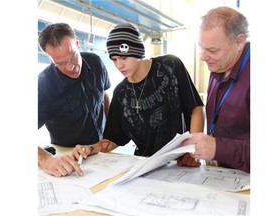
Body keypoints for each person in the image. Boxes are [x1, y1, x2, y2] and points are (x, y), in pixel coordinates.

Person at [73, 23, 204, 161]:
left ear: (138, 51)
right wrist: (89, 149)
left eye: (123, 58)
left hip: (179, 161)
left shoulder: (170, 66)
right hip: (144, 165)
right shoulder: (121, 93)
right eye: (114, 59)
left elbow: (196, 109)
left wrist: (193, 150)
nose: (119, 65)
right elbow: (113, 139)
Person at [177, 6, 250, 173]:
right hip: (219, 173)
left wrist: (218, 148)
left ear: (239, 42)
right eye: (201, 47)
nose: (203, 56)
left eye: (212, 50)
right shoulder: (218, 65)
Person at [38, 22, 111, 177]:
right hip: (67, 155)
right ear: (49, 57)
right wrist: (45, 160)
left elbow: (104, 95)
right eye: (61, 63)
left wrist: (111, 133)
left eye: (73, 57)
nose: (71, 67)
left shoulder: (96, 63)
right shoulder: (44, 84)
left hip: (100, 148)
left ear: (77, 43)